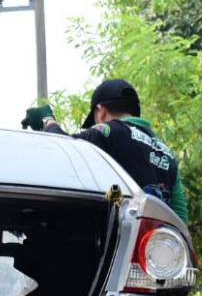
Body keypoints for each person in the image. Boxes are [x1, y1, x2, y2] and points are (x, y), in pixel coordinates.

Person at [23, 79, 189, 221]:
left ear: (101, 112)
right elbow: (180, 217)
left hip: (120, 239)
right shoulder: (166, 153)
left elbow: (65, 148)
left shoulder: (111, 130)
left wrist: (47, 120)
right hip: (153, 242)